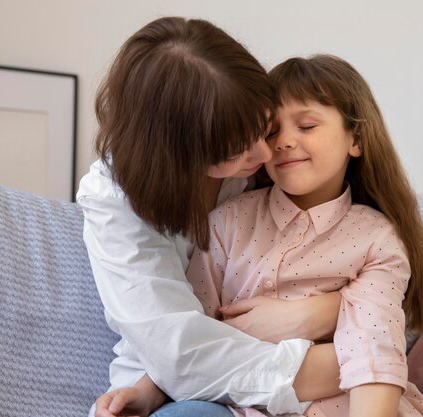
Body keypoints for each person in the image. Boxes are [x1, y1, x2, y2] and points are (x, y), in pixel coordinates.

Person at [184, 55, 423, 417]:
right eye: (271, 131)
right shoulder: (226, 222)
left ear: (356, 138)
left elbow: (375, 345)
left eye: (307, 126)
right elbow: (188, 333)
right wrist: (146, 386)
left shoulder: (376, 237)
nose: (283, 141)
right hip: (243, 401)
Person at [78, 16, 345, 417]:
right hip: (184, 390)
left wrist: (321, 313)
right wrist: (357, 362)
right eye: (234, 150)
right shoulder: (112, 197)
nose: (266, 154)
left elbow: (396, 291)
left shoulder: (296, 171)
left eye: (264, 127)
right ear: (176, 154)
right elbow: (179, 353)